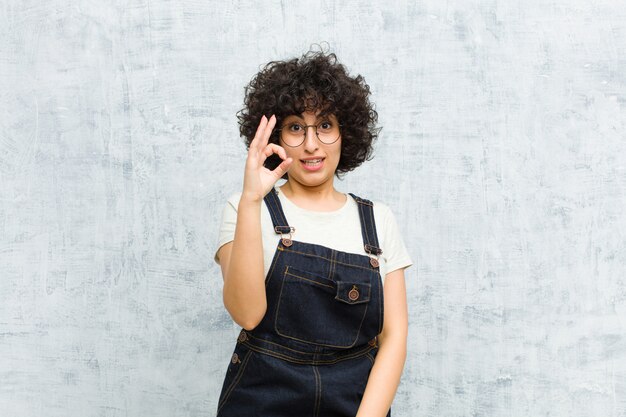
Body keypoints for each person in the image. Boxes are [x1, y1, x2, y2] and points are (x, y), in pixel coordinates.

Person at [214, 49, 412, 417]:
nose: (310, 144)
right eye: (294, 127)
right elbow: (248, 314)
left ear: (345, 133)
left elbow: (393, 337)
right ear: (274, 136)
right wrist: (251, 201)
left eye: (324, 125)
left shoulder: (377, 220)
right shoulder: (244, 208)